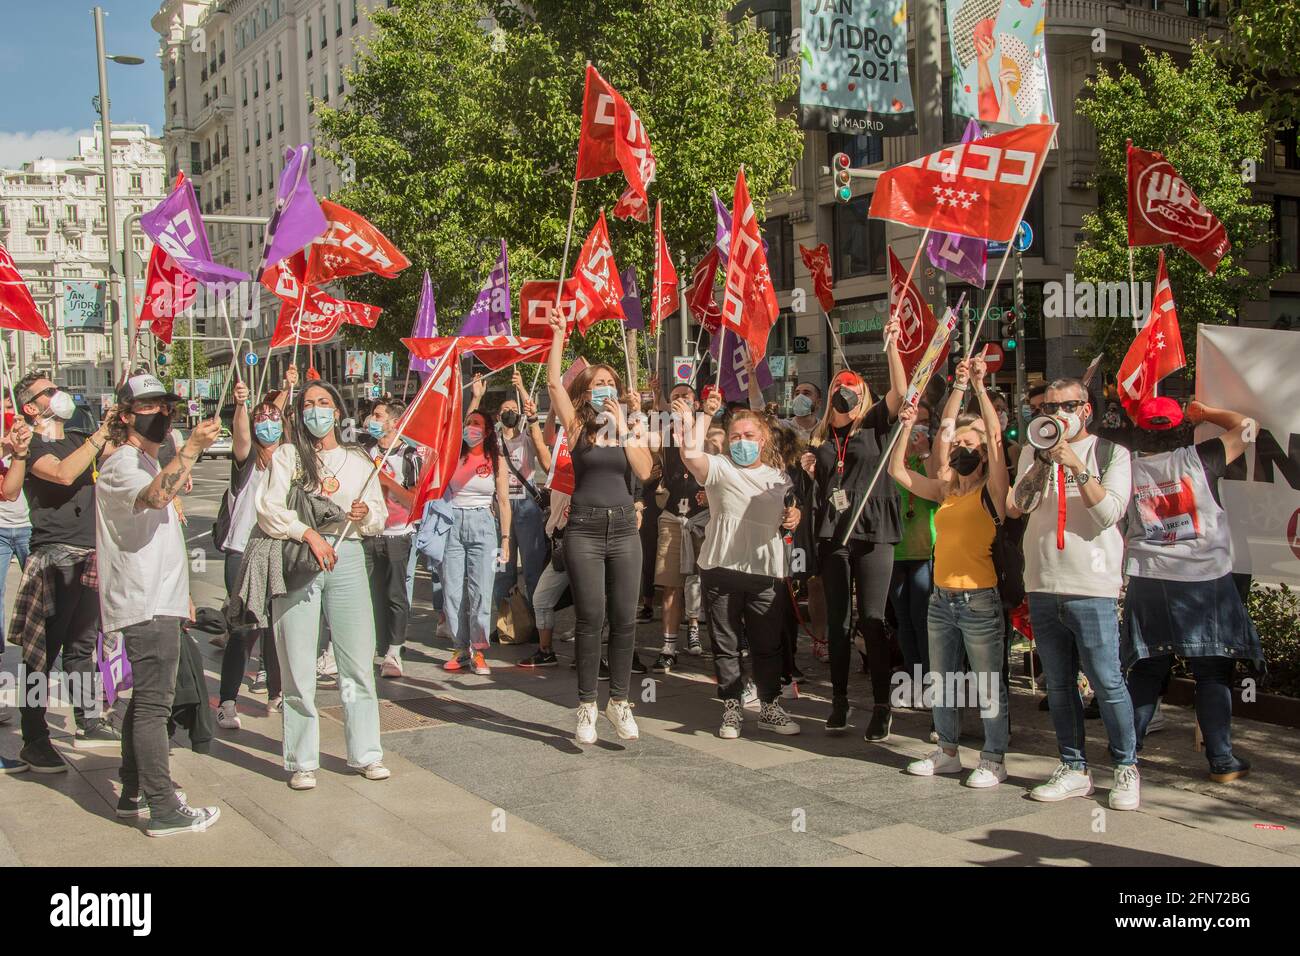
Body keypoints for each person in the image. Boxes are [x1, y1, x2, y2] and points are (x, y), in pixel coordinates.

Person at [95, 373, 222, 835]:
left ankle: (133, 791)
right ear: (126, 416)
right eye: (148, 407)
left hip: (158, 600)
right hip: (144, 602)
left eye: (165, 405)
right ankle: (163, 806)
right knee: (153, 706)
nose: (161, 414)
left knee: (145, 703)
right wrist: (188, 451)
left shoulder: (144, 462)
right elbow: (152, 500)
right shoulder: (122, 463)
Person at [1006, 377, 1139, 809]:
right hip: (1043, 583)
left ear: (1085, 410)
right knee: (1059, 685)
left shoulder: (1112, 453)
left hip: (1092, 586)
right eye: (1047, 407)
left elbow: (1108, 513)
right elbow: (1017, 505)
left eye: (1064, 406)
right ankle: (1073, 766)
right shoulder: (1033, 449)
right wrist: (1045, 460)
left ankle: (1125, 767)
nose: (1054, 413)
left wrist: (1076, 464)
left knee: (1106, 680)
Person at [256, 381, 389, 791]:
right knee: (297, 662)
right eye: (309, 404)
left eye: (324, 403)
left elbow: (378, 518)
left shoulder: (357, 459)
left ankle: (366, 752)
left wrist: (364, 513)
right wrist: (307, 533)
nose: (317, 411)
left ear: (337, 411)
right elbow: (268, 511)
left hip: (347, 554)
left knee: (356, 660)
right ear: (299, 413)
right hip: (300, 559)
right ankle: (302, 759)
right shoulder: (288, 457)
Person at [1122, 396, 1260, 783]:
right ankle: (1221, 760)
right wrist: (1209, 413)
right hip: (1204, 581)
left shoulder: (1126, 468)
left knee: (1147, 668)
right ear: (1182, 429)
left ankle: (1127, 753)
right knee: (1213, 672)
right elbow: (1249, 427)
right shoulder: (1201, 457)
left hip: (1149, 578)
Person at [890, 357, 1012, 788]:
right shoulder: (944, 491)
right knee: (943, 680)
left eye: (970, 445)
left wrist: (979, 386)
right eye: (957, 443)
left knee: (987, 684)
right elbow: (897, 470)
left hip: (980, 599)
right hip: (941, 599)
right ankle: (947, 751)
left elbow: (996, 438)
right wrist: (912, 422)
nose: (961, 449)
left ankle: (994, 757)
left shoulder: (993, 491)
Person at [545, 305, 653, 744]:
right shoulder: (576, 427)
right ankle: (587, 705)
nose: (604, 388)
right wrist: (557, 335)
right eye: (596, 384)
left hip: (626, 528)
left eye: (610, 383)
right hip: (585, 529)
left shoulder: (632, 427)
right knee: (591, 617)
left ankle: (620, 702)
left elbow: (645, 472)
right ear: (586, 392)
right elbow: (554, 381)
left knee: (625, 618)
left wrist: (626, 424)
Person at [3, 373, 117, 771]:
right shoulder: (30, 445)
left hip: (89, 554)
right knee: (42, 653)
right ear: (31, 407)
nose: (59, 394)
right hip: (56, 555)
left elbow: (108, 461)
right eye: (48, 391)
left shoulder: (76, 438)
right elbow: (65, 472)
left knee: (82, 647)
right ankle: (34, 737)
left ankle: (88, 718)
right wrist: (101, 436)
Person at [801, 318, 906, 739]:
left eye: (853, 391)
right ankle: (840, 700)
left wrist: (892, 346)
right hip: (835, 533)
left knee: (873, 620)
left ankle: (882, 703)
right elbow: (823, 486)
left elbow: (900, 394)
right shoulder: (821, 437)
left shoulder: (876, 424)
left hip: (874, 528)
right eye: (838, 392)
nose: (845, 397)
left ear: (863, 397)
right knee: (840, 622)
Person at [677, 392, 801, 738]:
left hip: (764, 570)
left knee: (767, 644)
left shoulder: (779, 478)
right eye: (735, 437)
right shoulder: (719, 468)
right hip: (721, 567)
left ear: (762, 440)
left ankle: (769, 706)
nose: (742, 442)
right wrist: (705, 414)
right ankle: (731, 706)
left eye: (749, 436)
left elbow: (792, 511)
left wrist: (794, 515)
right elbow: (689, 453)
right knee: (726, 642)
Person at [216, 383, 285, 729]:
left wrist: (287, 388)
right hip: (241, 551)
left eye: (273, 417)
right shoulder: (247, 460)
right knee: (242, 629)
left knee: (275, 627)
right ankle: (227, 701)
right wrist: (242, 406)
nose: (267, 422)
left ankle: (277, 692)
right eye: (261, 418)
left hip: (275, 550)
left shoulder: (290, 458)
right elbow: (242, 436)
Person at [439, 408, 511, 677]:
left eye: (477, 424)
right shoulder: (452, 456)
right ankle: (459, 649)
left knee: (481, 591)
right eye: (468, 423)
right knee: (453, 591)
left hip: (484, 524)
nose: (471, 427)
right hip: (452, 524)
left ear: (488, 430)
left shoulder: (496, 459)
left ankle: (478, 649)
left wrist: (505, 538)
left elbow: (503, 500)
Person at [650, 381, 707, 671]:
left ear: (696, 404)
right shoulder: (663, 434)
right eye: (675, 398)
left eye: (685, 397)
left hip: (704, 517)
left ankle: (716, 636)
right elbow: (646, 452)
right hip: (673, 515)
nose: (680, 401)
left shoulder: (708, 430)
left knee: (713, 581)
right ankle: (669, 646)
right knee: (671, 583)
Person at [362, 398, 421, 678]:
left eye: (378, 415)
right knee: (372, 593)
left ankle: (395, 650)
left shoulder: (408, 456)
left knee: (395, 593)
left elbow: (413, 500)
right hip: (370, 533)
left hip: (398, 534)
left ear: (394, 422)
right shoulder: (365, 451)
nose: (371, 420)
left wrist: (386, 481)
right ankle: (378, 644)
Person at [888, 399, 938, 693]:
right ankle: (914, 677)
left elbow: (937, 489)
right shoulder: (891, 461)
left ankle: (932, 681)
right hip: (894, 551)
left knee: (923, 619)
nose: (916, 428)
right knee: (903, 620)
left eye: (923, 423)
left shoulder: (928, 457)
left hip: (924, 552)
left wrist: (926, 451)